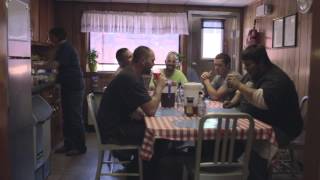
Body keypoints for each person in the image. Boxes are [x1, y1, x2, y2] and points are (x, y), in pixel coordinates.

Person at [226, 45, 303, 180]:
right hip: (260, 122)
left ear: (261, 62)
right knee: (230, 140)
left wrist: (238, 85)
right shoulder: (255, 73)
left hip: (282, 128)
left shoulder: (276, 79)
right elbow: (244, 87)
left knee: (255, 151)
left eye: (248, 65)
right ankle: (229, 171)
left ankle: (255, 175)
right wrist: (233, 101)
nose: (246, 68)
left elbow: (262, 99)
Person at [97, 46, 170, 179]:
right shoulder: (130, 77)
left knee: (153, 131)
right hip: (113, 131)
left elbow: (143, 105)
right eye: (152, 60)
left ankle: (137, 167)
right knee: (159, 136)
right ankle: (145, 173)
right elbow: (151, 110)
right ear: (143, 61)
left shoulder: (131, 74)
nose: (154, 63)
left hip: (115, 124)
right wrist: (159, 86)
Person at [48, 27, 86, 156]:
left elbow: (55, 65)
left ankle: (80, 147)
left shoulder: (65, 48)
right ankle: (69, 145)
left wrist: (35, 66)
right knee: (68, 117)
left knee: (74, 117)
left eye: (51, 36)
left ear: (57, 37)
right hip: (69, 86)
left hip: (74, 87)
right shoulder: (63, 48)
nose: (50, 39)